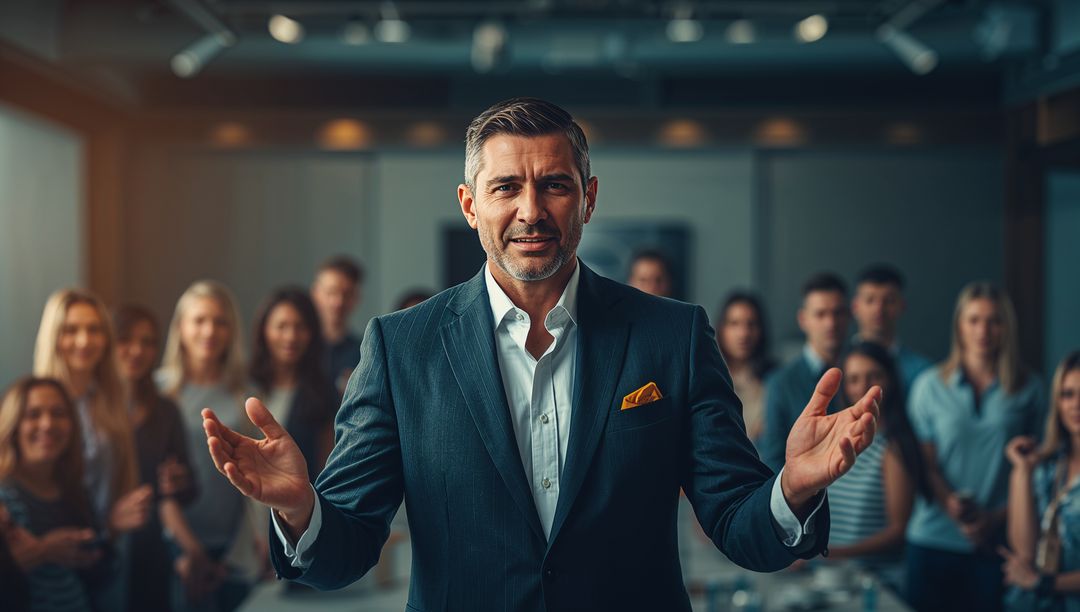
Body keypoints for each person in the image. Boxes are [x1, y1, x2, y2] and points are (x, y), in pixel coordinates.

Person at [201, 97, 883, 611]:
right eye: (506, 187)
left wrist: (792, 489)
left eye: (555, 184)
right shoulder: (400, 347)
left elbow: (738, 523)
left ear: (588, 198)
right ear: (470, 205)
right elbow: (345, 550)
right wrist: (301, 511)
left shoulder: (672, 336)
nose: (531, 210)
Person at [905, 282, 1045, 612]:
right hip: (933, 536)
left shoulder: (1030, 389)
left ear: (1006, 327)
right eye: (974, 320)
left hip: (997, 542)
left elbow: (1038, 470)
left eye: (994, 321)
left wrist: (993, 519)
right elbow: (925, 464)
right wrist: (950, 503)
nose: (983, 331)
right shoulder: (929, 386)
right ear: (959, 325)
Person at [33, 289, 152, 610]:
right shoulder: (36, 407)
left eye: (94, 329)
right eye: (71, 330)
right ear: (54, 337)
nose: (84, 340)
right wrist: (105, 525)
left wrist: (113, 526)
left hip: (109, 552)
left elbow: (121, 478)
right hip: (54, 555)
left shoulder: (111, 401)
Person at [157, 281, 258, 612]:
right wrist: (190, 550)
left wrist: (241, 550)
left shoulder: (245, 393)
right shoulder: (160, 391)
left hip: (234, 547)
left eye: (220, 322)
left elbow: (254, 477)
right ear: (180, 327)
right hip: (174, 546)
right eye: (199, 320)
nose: (210, 331)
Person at [826, 342, 932, 590]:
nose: (863, 387)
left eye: (874, 376)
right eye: (854, 379)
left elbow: (898, 531)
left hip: (877, 581)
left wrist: (832, 553)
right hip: (835, 576)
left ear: (890, 380)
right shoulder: (839, 440)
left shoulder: (893, 447)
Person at [114, 304, 198, 612]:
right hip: (105, 550)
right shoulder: (92, 408)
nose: (137, 350)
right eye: (126, 339)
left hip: (154, 552)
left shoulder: (165, 411)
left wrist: (180, 482)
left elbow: (187, 491)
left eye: (148, 342)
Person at [0, 376, 108, 612]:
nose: (47, 424)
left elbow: (99, 577)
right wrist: (43, 551)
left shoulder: (75, 493)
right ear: (13, 424)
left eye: (58, 413)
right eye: (33, 414)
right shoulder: (4, 502)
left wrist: (110, 534)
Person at [1002, 350, 1080, 611]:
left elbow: (1031, 577)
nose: (1076, 404)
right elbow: (1025, 551)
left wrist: (1044, 583)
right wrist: (1022, 472)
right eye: (1067, 394)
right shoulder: (1047, 466)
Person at [760, 272, 850, 471]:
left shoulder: (865, 375)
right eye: (820, 314)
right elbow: (773, 461)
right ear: (803, 319)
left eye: (837, 313)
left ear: (849, 315)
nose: (830, 323)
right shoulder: (780, 384)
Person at [249, 288, 337, 482]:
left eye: (300, 327)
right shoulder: (245, 385)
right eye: (281, 326)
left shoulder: (323, 393)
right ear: (264, 330)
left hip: (297, 496)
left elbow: (327, 467)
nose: (291, 337)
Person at [851, 264, 932, 391]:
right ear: (855, 306)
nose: (879, 309)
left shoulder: (923, 373)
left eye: (889, 300)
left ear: (902, 306)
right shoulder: (834, 366)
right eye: (870, 300)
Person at [715, 291, 775, 443]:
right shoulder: (708, 378)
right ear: (721, 329)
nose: (743, 334)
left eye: (751, 324)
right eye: (734, 323)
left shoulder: (774, 380)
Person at [310, 256, 365, 394]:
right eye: (331, 292)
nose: (338, 302)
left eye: (347, 294)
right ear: (315, 293)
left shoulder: (364, 352)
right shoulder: (298, 348)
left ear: (356, 298)